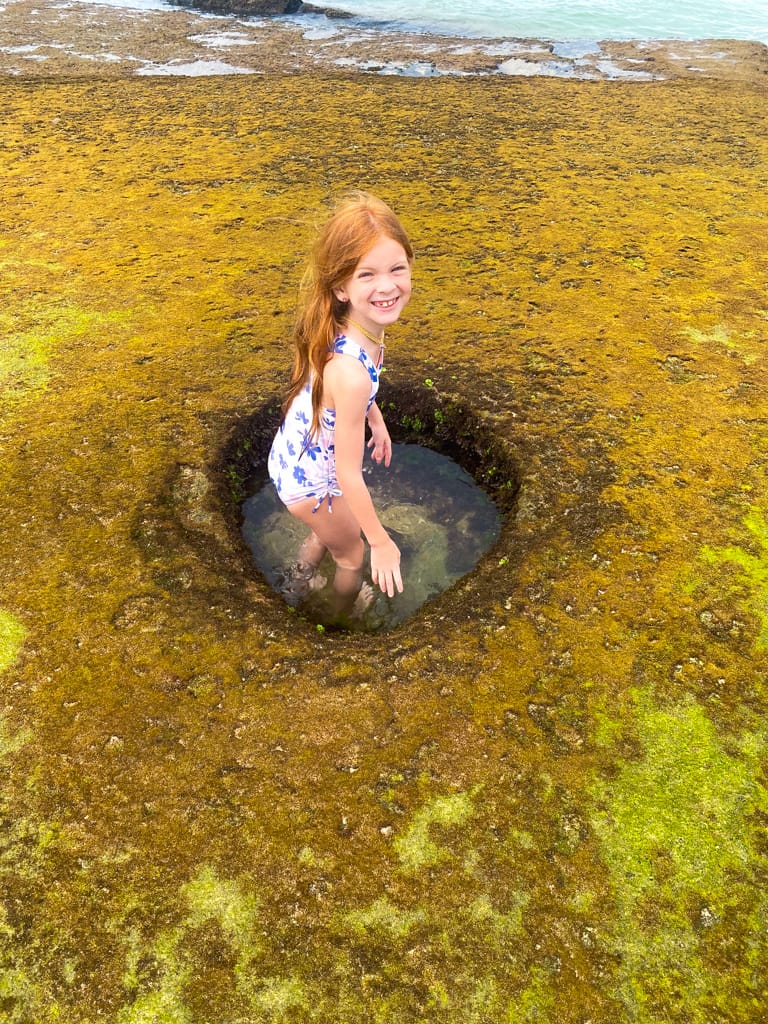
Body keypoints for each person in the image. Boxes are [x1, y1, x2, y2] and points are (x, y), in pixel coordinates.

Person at [268, 191, 412, 620]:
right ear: (341, 287)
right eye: (366, 274)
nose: (386, 286)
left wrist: (376, 420)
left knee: (330, 531)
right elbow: (349, 473)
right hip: (315, 482)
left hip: (295, 459)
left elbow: (356, 392)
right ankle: (334, 615)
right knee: (352, 556)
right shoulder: (350, 372)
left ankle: (298, 577)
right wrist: (381, 542)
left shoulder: (348, 327)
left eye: (397, 268)